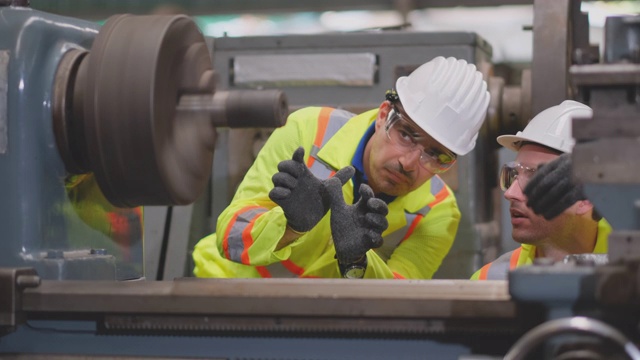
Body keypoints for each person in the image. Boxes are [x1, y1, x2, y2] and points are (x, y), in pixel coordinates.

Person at [193, 56, 490, 279]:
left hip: (321, 326)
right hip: (231, 298)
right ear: (383, 114)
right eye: (406, 135)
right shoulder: (309, 132)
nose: (409, 163)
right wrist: (291, 226)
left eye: (436, 155)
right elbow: (231, 238)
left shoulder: (437, 212)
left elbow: (397, 303)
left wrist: (357, 260)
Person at [471, 100, 612, 280]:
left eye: (535, 178)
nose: (510, 193)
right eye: (513, 174)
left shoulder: (631, 273)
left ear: (586, 198)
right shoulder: (488, 281)